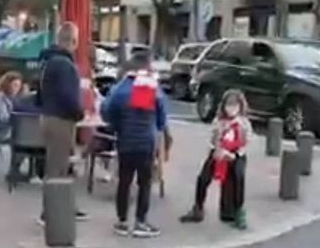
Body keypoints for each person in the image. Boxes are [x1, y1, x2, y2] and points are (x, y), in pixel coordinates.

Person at [102, 54, 168, 238]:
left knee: (124, 181)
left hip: (125, 142)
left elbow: (107, 111)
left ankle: (122, 221)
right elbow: (162, 118)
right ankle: (141, 221)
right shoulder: (152, 89)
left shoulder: (120, 89)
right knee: (144, 183)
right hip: (146, 143)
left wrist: (117, 127)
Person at [37, 22, 87, 224]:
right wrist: (79, 113)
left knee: (59, 166)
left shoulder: (48, 62)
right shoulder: (65, 65)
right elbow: (68, 97)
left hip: (49, 115)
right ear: (73, 41)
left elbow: (39, 93)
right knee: (57, 168)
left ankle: (64, 206)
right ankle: (50, 212)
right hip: (61, 120)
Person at [180, 89, 250, 230]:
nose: (231, 110)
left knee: (237, 176)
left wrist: (235, 155)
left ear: (240, 107)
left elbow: (246, 142)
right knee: (203, 177)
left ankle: (237, 211)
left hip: (236, 153)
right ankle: (198, 208)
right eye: (228, 106)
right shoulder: (219, 121)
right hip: (219, 152)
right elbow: (213, 139)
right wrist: (218, 150)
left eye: (235, 106)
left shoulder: (244, 123)